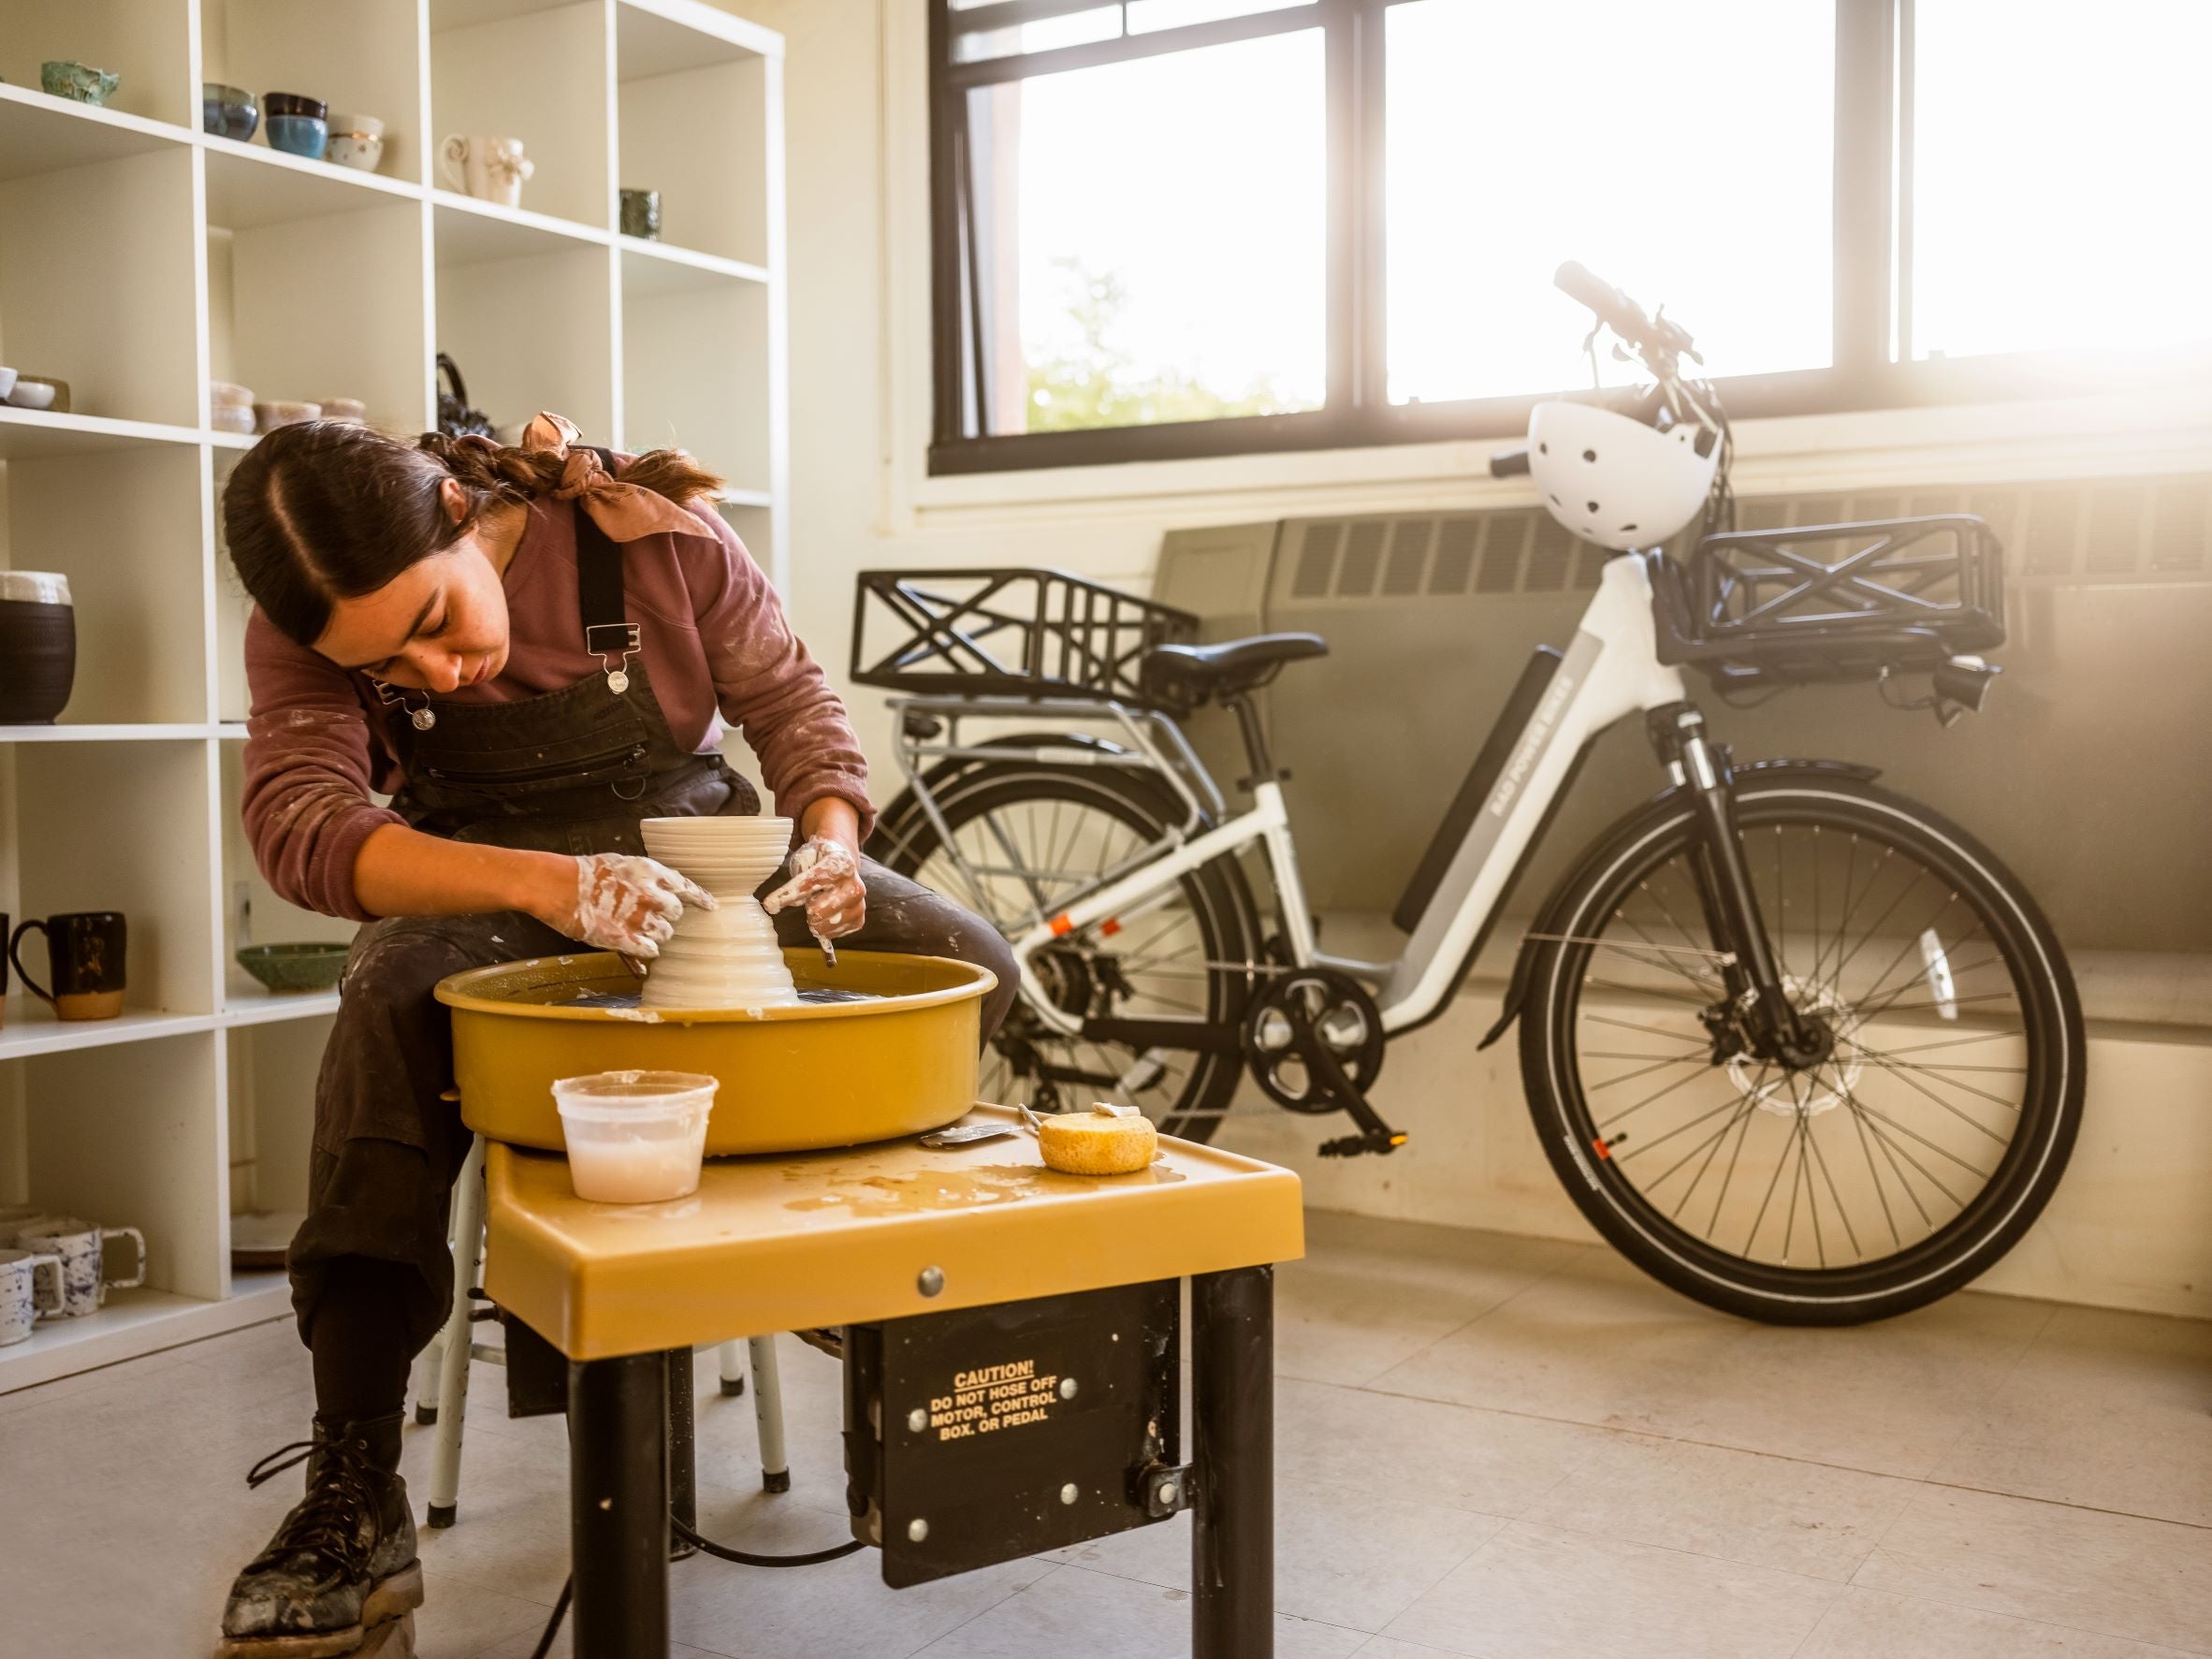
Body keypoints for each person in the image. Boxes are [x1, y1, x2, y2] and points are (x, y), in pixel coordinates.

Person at [211, 414, 1015, 1657]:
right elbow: (303, 827)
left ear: (457, 515)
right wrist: (541, 884)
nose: (435, 674)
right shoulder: (307, 626)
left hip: (705, 868)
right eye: (396, 670)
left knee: (971, 966)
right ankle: (354, 1487)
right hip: (489, 890)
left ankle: (846, 1297)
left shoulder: (648, 538)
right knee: (381, 1004)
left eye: (434, 622)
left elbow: (796, 704)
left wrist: (831, 843)